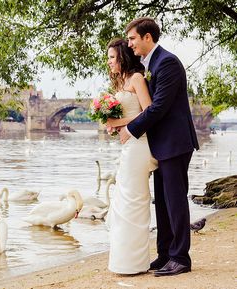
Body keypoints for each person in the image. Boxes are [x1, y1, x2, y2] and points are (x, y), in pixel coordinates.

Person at [119, 17, 199, 277]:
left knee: (175, 201)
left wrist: (130, 130)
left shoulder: (167, 63)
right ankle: (165, 253)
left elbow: (158, 107)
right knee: (162, 202)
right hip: (160, 144)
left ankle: (180, 258)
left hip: (175, 142)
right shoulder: (150, 63)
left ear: (147, 38)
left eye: (132, 38)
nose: (129, 44)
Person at [105, 38, 157, 275]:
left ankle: (136, 263)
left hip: (139, 146)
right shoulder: (121, 84)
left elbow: (149, 113)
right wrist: (113, 125)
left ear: (123, 57)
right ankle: (125, 261)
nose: (109, 62)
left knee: (134, 201)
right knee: (122, 201)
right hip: (127, 146)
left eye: (112, 57)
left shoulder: (137, 79)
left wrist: (120, 122)